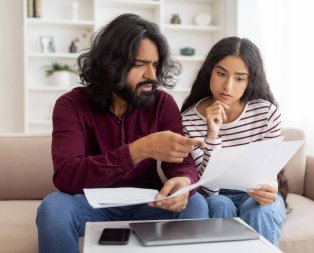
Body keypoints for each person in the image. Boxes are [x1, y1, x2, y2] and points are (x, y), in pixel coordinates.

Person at [36, 14, 208, 253]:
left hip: (147, 205)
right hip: (91, 206)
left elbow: (182, 164)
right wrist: (138, 150)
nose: (152, 75)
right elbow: (67, 177)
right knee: (53, 207)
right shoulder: (71, 105)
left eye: (155, 64)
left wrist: (184, 181)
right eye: (140, 64)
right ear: (111, 64)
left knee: (195, 203)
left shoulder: (162, 104)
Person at [181, 36, 288, 246]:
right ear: (210, 71)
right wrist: (212, 134)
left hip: (256, 194)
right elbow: (208, 189)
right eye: (221, 73)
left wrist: (270, 189)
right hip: (215, 194)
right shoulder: (188, 121)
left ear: (250, 80)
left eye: (239, 78)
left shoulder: (267, 114)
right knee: (218, 204)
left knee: (257, 209)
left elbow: (268, 175)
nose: (227, 86)